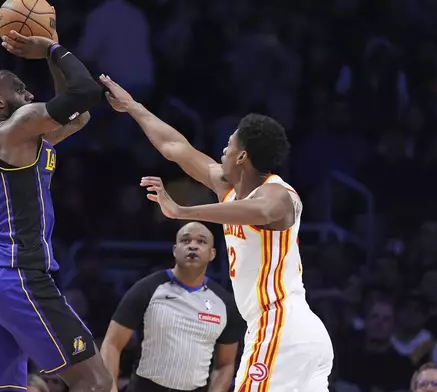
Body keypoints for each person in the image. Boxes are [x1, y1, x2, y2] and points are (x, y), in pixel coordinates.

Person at [100, 75, 334, 391]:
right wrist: (133, 107)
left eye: (229, 144)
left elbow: (262, 212)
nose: (222, 149)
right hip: (291, 333)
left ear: (242, 156)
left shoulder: (279, 194)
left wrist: (183, 211)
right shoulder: (228, 188)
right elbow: (175, 147)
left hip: (280, 324)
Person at [0, 24, 110, 392]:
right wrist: (53, 49)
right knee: (96, 382)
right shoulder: (17, 129)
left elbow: (79, 116)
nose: (30, 94)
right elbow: (86, 92)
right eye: (20, 89)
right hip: (16, 275)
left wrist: (49, 57)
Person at [101, 222, 240, 392]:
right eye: (185, 240)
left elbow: (225, 365)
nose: (193, 246)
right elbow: (112, 344)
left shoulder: (225, 303)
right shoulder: (147, 288)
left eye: (201, 242)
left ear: (212, 254)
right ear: (175, 250)